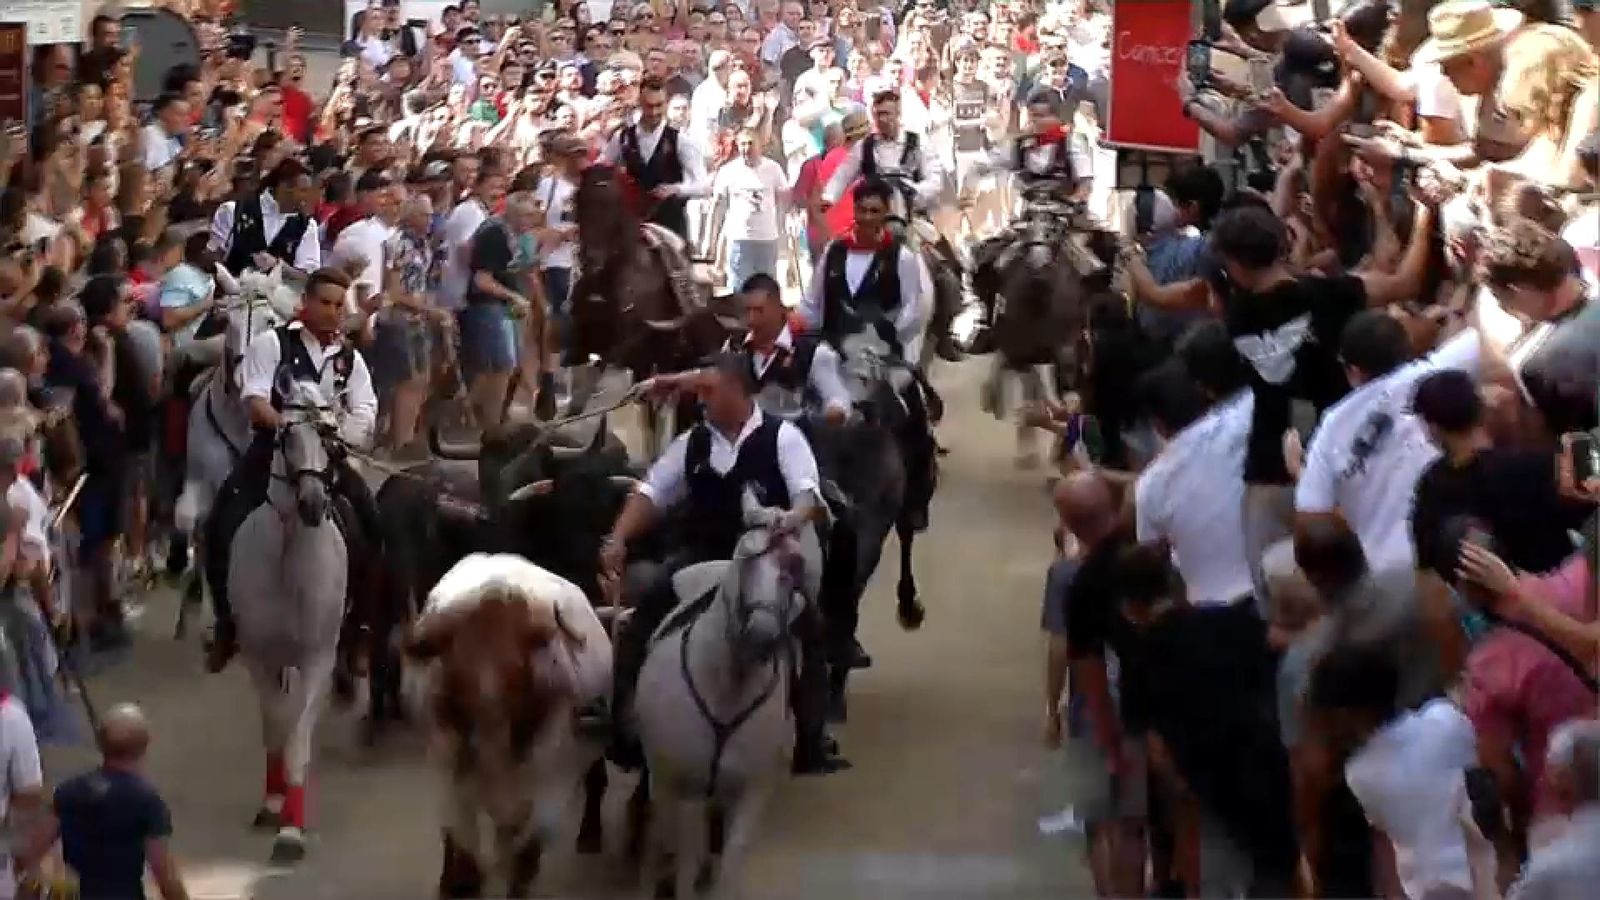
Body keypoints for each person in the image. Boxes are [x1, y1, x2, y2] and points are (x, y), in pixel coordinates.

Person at [600, 354, 845, 775]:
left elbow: (808, 496)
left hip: (763, 557)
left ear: (737, 389)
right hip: (701, 554)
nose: (701, 400)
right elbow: (653, 492)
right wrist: (618, 537)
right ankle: (624, 723)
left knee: (810, 626)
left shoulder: (783, 438)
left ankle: (809, 739)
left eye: (709, 391)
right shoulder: (692, 442)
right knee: (645, 616)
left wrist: (790, 520)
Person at [202, 268, 379, 673]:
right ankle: (227, 625)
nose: (333, 311)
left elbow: (365, 407)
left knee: (372, 522)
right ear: (306, 303)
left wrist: (344, 433)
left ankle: (360, 628)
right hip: (273, 452)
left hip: (328, 457)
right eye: (325, 302)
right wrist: (288, 426)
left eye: (339, 305)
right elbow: (255, 399)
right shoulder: (272, 344)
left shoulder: (349, 359)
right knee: (220, 521)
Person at [800, 177, 937, 530]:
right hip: (834, 353)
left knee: (913, 417)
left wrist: (888, 346)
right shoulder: (833, 252)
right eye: (861, 210)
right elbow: (813, 304)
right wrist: (798, 326)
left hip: (883, 356)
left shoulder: (903, 258)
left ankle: (914, 499)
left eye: (874, 211)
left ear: (886, 214)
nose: (866, 217)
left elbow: (913, 310)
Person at [19, 704, 189, 900]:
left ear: (101, 743)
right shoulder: (147, 801)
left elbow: (30, 853)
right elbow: (164, 873)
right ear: (144, 746)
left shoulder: (68, 792)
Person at [601, 76, 710, 239]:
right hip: (632, 225)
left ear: (666, 104)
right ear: (639, 103)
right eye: (648, 106)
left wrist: (676, 189)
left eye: (659, 105)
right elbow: (602, 169)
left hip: (669, 226)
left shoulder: (680, 140)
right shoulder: (622, 138)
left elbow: (704, 186)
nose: (653, 113)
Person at [821, 90, 945, 225]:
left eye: (886, 114)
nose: (881, 119)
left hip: (912, 216)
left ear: (898, 113)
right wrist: (829, 196)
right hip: (874, 216)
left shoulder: (918, 144)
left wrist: (913, 192)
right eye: (878, 114)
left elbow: (935, 180)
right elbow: (843, 174)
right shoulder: (865, 146)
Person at [208, 157, 323, 277]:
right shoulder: (232, 211)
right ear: (284, 187)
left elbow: (307, 277)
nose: (307, 196)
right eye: (303, 190)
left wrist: (279, 266)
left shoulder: (307, 226)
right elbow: (214, 259)